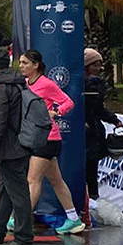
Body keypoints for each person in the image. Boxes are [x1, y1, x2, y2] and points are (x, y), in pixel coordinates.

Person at [20, 49, 85, 235]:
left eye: (25, 63)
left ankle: (21, 220)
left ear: (35, 65)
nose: (21, 66)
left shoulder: (46, 84)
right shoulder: (25, 84)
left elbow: (68, 102)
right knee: (56, 181)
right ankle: (73, 219)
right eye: (21, 62)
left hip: (48, 138)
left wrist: (56, 112)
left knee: (32, 180)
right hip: (35, 137)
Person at [0, 47, 34, 245]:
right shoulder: (19, 83)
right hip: (22, 141)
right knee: (8, 191)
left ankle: (24, 238)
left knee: (18, 193)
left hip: (8, 147)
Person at [84, 49, 123, 208]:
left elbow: (99, 108)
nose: (99, 68)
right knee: (86, 165)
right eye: (95, 65)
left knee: (92, 165)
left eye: (100, 65)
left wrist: (114, 120)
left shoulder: (98, 84)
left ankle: (93, 197)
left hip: (95, 131)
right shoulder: (80, 84)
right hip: (85, 132)